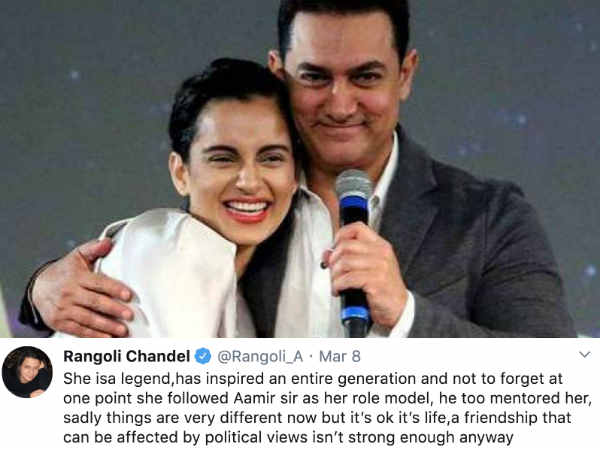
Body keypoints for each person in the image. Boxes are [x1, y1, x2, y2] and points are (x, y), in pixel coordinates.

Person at [20, 0, 575, 337]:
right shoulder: (248, 200)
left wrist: (406, 314)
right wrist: (41, 293)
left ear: (405, 74)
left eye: (365, 77)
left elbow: (556, 383)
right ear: (279, 72)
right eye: (315, 77)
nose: (340, 104)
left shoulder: (489, 216)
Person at [54, 58, 298, 337]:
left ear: (295, 175)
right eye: (223, 159)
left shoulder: (242, 294)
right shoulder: (162, 249)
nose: (249, 182)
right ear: (181, 173)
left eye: (271, 158)